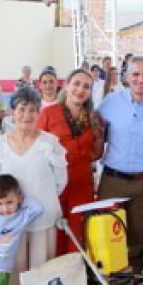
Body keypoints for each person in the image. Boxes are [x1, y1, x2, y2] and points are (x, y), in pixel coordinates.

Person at [0, 87, 67, 285]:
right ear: (12, 112)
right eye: (21, 109)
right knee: (15, 277)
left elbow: (60, 182)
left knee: (41, 277)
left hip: (43, 220)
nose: (26, 114)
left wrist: (43, 202)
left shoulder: (49, 143)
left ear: (38, 112)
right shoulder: (2, 144)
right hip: (13, 223)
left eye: (32, 110)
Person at [98, 56, 143, 275]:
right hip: (112, 181)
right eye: (136, 74)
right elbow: (94, 134)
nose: (141, 80)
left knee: (137, 241)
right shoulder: (110, 103)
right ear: (127, 77)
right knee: (105, 237)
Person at [36, 69, 104, 255]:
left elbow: (97, 153)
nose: (80, 90)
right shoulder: (48, 114)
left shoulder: (95, 118)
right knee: (54, 236)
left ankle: (76, 280)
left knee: (78, 238)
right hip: (54, 187)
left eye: (86, 86)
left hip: (82, 186)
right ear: (66, 85)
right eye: (76, 84)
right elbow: (36, 150)